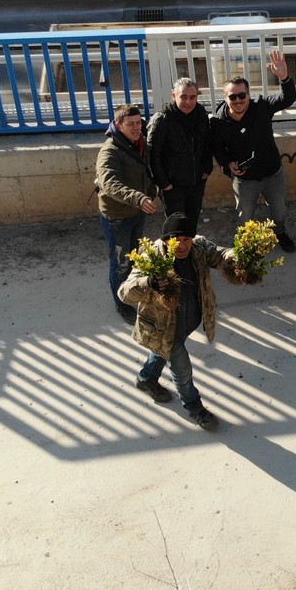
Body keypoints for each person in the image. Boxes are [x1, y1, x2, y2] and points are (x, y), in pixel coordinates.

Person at [118, 214, 243, 431]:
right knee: (182, 371)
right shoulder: (151, 258)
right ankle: (194, 407)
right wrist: (148, 282)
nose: (182, 245)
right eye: (176, 240)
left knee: (161, 351)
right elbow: (124, 293)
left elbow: (221, 254)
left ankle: (146, 378)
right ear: (166, 240)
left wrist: (238, 256)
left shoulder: (199, 247)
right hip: (163, 328)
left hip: (187, 322)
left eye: (187, 239)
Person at [210, 48, 296, 253]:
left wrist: (284, 78)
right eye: (233, 97)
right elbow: (217, 148)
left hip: (272, 172)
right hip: (244, 179)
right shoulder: (218, 122)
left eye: (242, 95)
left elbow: (287, 98)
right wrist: (228, 164)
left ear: (249, 94)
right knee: (245, 215)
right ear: (226, 98)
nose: (238, 100)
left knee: (279, 211)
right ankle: (246, 243)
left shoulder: (262, 106)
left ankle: (280, 233)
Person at [94, 102, 160, 325]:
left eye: (138, 122)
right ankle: (121, 304)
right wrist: (139, 198)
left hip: (137, 212)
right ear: (118, 125)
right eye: (130, 124)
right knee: (120, 263)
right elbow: (109, 183)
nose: (136, 127)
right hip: (117, 217)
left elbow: (147, 171)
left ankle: (132, 291)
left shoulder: (140, 144)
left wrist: (151, 192)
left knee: (133, 258)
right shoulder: (110, 151)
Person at [148, 77, 211, 227]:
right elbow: (153, 155)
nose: (188, 102)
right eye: (183, 97)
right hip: (172, 186)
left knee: (191, 226)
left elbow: (207, 144)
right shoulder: (162, 119)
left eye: (192, 97)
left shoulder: (201, 114)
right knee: (176, 229)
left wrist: (206, 170)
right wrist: (164, 184)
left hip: (196, 183)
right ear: (174, 96)